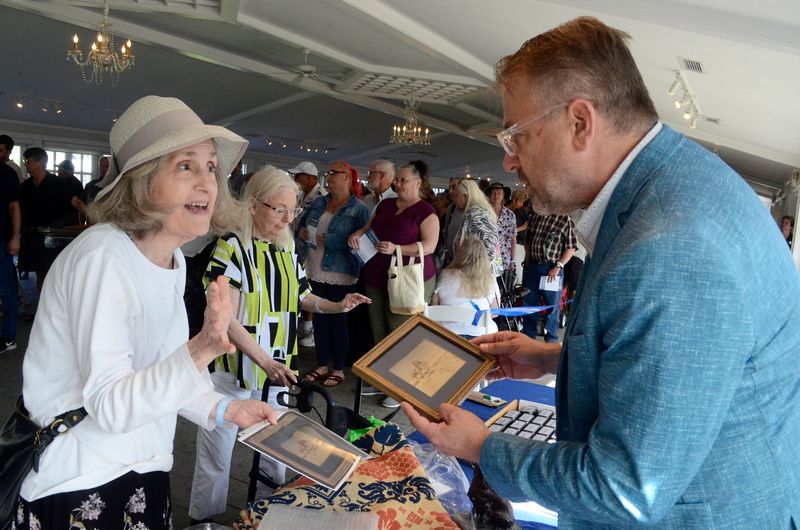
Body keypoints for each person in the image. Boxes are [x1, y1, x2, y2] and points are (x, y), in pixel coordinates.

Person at [403, 17, 800, 529]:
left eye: (517, 136)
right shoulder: (678, 185)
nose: (509, 161)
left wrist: (483, 449)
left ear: (580, 122)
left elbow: (626, 488)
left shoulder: (669, 247)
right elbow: (694, 367)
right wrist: (554, 357)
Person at [15, 95, 278, 528]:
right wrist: (202, 350)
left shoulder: (169, 260)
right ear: (140, 181)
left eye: (210, 166)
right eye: (185, 166)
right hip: (83, 483)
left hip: (142, 469)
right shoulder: (103, 259)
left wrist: (223, 410)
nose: (207, 183)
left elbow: (158, 373)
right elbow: (114, 406)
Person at [190, 166, 369, 523]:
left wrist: (337, 305)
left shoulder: (286, 249)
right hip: (234, 370)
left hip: (278, 368)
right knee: (217, 456)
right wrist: (262, 360)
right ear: (254, 204)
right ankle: (203, 520)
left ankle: (267, 517)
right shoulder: (231, 248)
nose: (288, 218)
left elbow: (302, 296)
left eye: (294, 210)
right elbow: (225, 317)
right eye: (280, 210)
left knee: (277, 454)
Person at [349, 163, 439, 408]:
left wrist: (397, 249)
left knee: (402, 334)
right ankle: (385, 380)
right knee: (379, 332)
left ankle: (403, 390)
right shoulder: (386, 204)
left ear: (418, 183)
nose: (398, 184)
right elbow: (368, 228)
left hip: (407, 279)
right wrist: (357, 234)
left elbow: (429, 247)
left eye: (403, 180)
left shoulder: (426, 211)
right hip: (377, 276)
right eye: (397, 180)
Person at [298, 161, 369, 387]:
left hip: (341, 270)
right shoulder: (320, 201)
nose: (328, 177)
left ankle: (338, 368)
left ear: (347, 178)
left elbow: (362, 241)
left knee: (338, 319)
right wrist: (303, 231)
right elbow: (303, 222)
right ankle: (321, 364)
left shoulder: (358, 208)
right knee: (319, 317)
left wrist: (331, 240)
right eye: (327, 173)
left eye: (334, 174)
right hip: (315, 265)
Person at [521, 207, 577, 342]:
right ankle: (528, 337)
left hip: (551, 269)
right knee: (529, 304)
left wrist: (559, 266)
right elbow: (528, 239)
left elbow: (571, 247)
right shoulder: (535, 214)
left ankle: (551, 339)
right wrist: (527, 257)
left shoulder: (564, 218)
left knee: (553, 306)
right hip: (532, 267)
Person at [430, 236, 500, 339]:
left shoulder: (446, 274)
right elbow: (495, 312)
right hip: (481, 336)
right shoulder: (489, 278)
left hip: (449, 334)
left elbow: (434, 305)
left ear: (460, 254)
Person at [19, 147, 67, 291]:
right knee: (39, 273)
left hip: (52, 235)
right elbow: (19, 210)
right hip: (32, 235)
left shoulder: (58, 183)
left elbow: (74, 202)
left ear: (41, 163)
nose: (26, 164)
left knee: (52, 272)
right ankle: (41, 304)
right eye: (25, 161)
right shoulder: (25, 186)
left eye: (28, 161)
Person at [451, 179, 500, 276]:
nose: (454, 199)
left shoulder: (476, 212)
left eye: (456, 196)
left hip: (477, 274)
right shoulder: (474, 210)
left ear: (465, 196)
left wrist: (476, 269)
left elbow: (490, 243)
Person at [0, 157, 20, 353]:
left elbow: (15, 207)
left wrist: (15, 237)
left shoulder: (5, 173)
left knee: (6, 290)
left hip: (1, 240)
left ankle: (8, 337)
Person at [485, 181, 516, 281]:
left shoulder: (510, 215)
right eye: (493, 193)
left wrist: (512, 261)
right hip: (485, 257)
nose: (496, 196)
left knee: (500, 287)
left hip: (503, 258)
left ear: (503, 195)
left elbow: (513, 239)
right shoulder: (483, 212)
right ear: (489, 195)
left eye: (499, 193)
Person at [56, 159, 87, 225]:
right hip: (74, 217)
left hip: (64, 218)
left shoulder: (63, 183)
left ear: (63, 171)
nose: (58, 172)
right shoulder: (77, 182)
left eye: (59, 170)